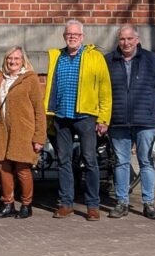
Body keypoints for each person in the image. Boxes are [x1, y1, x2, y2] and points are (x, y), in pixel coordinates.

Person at [44, 19, 112, 221]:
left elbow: (105, 90)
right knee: (64, 161)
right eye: (68, 34)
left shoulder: (95, 57)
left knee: (90, 160)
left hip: (86, 116)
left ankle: (92, 205)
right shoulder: (57, 56)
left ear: (82, 37)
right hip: (61, 116)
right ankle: (66, 203)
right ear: (64, 36)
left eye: (75, 34)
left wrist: (103, 118)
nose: (72, 37)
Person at [105, 24, 155, 220]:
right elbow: (101, 91)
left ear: (137, 39)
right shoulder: (108, 60)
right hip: (117, 121)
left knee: (146, 162)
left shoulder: (151, 60)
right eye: (122, 39)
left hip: (146, 120)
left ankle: (148, 203)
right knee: (121, 163)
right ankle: (122, 202)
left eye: (129, 39)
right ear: (118, 41)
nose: (126, 43)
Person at [0, 46, 46, 219]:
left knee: (22, 169)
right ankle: (7, 203)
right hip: (1, 131)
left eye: (16, 59)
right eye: (9, 59)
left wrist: (39, 137)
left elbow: (39, 110)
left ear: (23, 61)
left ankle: (26, 204)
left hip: (23, 132)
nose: (12, 62)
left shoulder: (30, 79)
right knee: (3, 168)